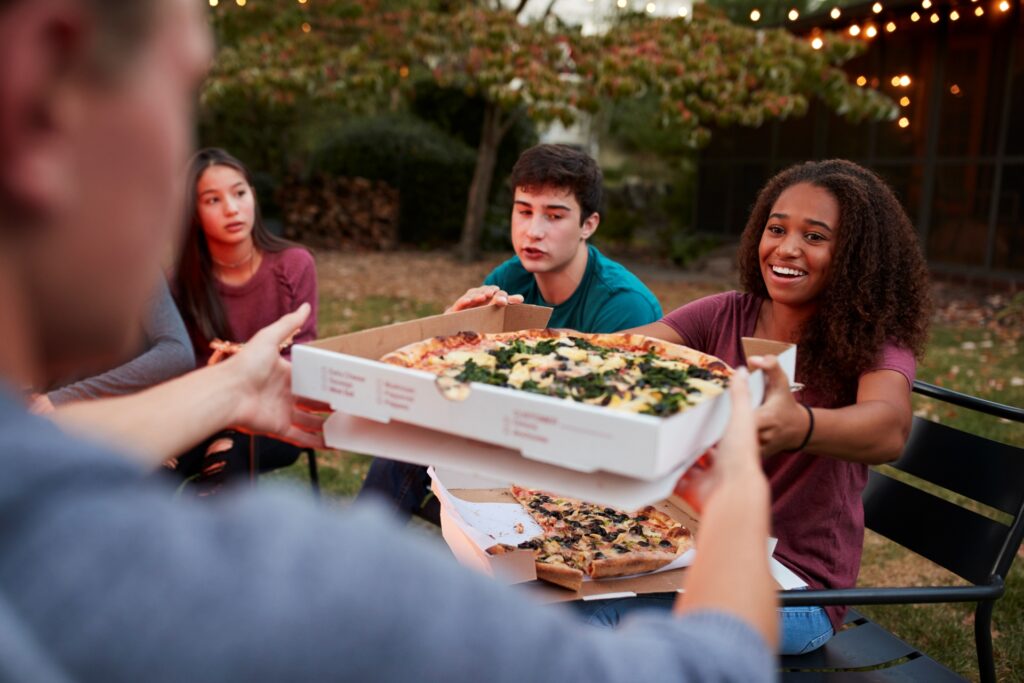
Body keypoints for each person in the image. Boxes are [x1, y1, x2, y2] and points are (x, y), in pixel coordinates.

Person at [0, 0, 778, 679]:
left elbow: (30, 452)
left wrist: (225, 389)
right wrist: (739, 495)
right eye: (182, 92)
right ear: (41, 92)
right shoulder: (321, 597)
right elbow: (710, 668)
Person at [573, 159, 932, 656]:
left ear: (855, 255)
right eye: (777, 228)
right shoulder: (723, 313)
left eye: (815, 236)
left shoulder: (875, 344)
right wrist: (501, 332)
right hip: (691, 552)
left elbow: (888, 429)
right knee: (549, 594)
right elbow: (605, 355)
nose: (786, 248)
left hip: (794, 591)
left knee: (593, 619)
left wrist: (797, 425)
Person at [359, 144, 663, 519]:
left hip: (584, 473)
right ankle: (353, 557)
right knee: (402, 442)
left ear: (589, 225)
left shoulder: (624, 306)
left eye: (554, 216)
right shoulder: (509, 278)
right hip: (508, 439)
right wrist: (453, 334)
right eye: (524, 211)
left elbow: (613, 434)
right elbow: (465, 388)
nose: (533, 231)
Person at [171, 147, 318, 493]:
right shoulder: (179, 282)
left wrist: (240, 373)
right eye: (213, 200)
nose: (233, 209)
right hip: (204, 409)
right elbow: (181, 363)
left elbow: (303, 352)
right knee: (151, 469)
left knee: (225, 462)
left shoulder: (294, 265)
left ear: (253, 194)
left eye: (239, 193)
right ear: (192, 213)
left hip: (276, 410)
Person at [30, 277, 195, 412]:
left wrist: (67, 397)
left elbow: (177, 353)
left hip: (124, 416)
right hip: (51, 417)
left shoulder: (130, 263)